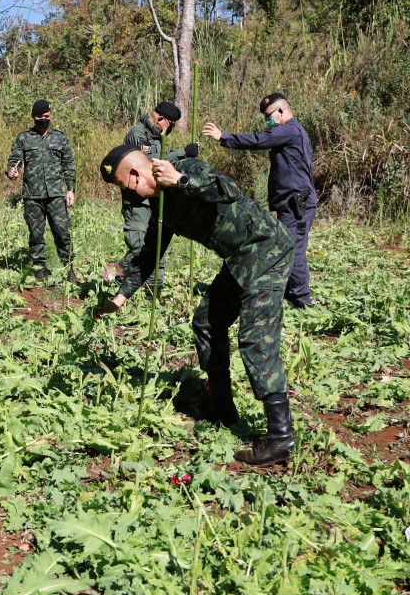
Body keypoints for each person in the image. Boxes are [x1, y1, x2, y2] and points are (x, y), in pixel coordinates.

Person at [94, 145, 297, 466]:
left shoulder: (181, 167)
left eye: (123, 185)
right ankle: (221, 405)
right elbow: (150, 253)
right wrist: (120, 297)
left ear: (134, 174)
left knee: (257, 337)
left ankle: (281, 435)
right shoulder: (161, 207)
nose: (127, 193)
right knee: (206, 322)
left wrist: (182, 180)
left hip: (266, 248)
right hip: (241, 258)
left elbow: (227, 190)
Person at [203, 92, 317, 309]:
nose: (267, 121)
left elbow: (259, 140)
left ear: (282, 111)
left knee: (293, 249)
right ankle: (290, 293)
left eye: (269, 115)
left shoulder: (289, 130)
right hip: (291, 202)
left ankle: (302, 301)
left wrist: (224, 137)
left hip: (296, 204)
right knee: (285, 247)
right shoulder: (291, 132)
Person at [6, 99, 77, 282]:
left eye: (46, 116)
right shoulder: (24, 138)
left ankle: (69, 269)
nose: (43, 120)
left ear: (50, 115)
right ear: (33, 117)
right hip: (32, 195)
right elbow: (15, 160)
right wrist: (12, 171)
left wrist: (70, 189)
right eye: (39, 117)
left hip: (55, 194)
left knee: (62, 232)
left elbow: (68, 164)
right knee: (36, 234)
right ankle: (40, 268)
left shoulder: (59, 137)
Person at [120, 101, 181, 290]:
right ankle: (114, 274)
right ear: (161, 119)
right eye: (170, 125)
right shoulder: (137, 134)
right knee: (139, 247)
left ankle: (155, 290)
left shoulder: (157, 136)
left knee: (157, 246)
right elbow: (149, 163)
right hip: (138, 201)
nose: (169, 130)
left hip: (153, 199)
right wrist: (181, 153)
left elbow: (161, 156)